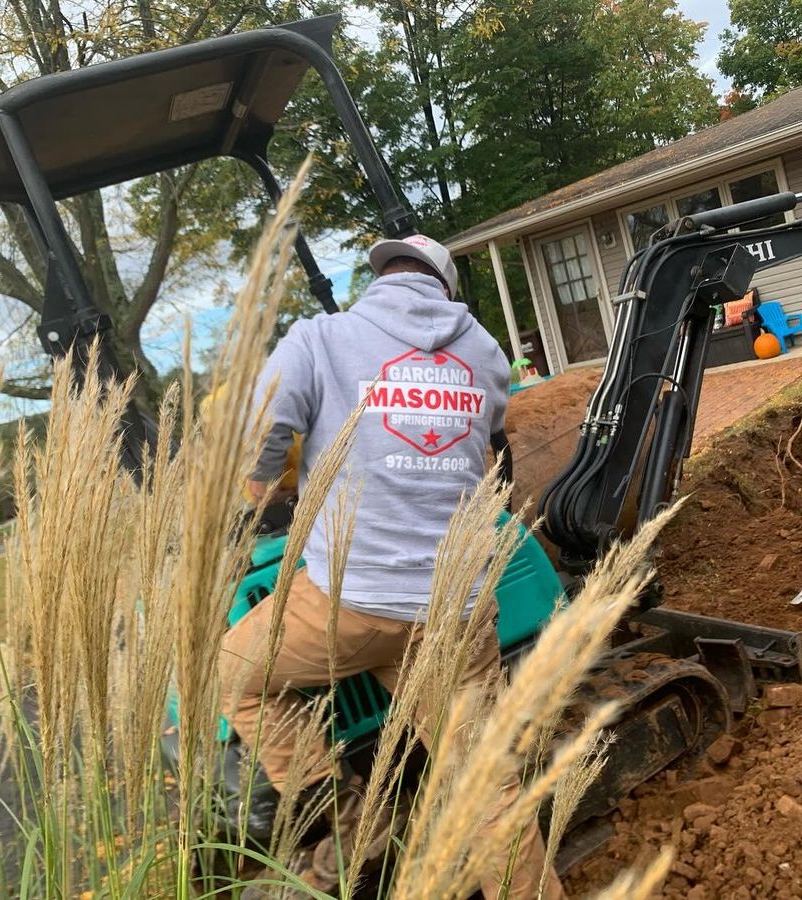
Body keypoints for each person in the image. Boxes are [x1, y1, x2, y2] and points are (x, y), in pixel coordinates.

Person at [218, 234, 565, 899]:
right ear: (445, 290)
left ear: (381, 278)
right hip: (456, 611)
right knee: (489, 794)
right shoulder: (485, 353)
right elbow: (491, 452)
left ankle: (354, 817)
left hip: (350, 602)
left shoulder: (318, 339)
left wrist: (263, 492)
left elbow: (260, 428)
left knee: (235, 673)